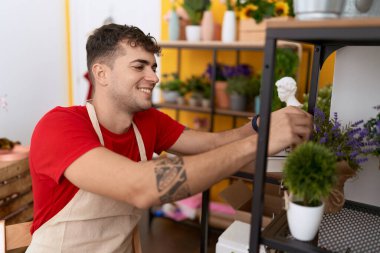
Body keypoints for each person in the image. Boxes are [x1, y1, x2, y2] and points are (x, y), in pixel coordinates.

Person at [27, 24, 313, 252]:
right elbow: (141, 187)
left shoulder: (147, 121)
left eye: (153, 68)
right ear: (101, 73)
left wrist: (259, 126)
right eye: (139, 67)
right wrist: (261, 143)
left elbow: (212, 143)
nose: (153, 77)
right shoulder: (59, 126)